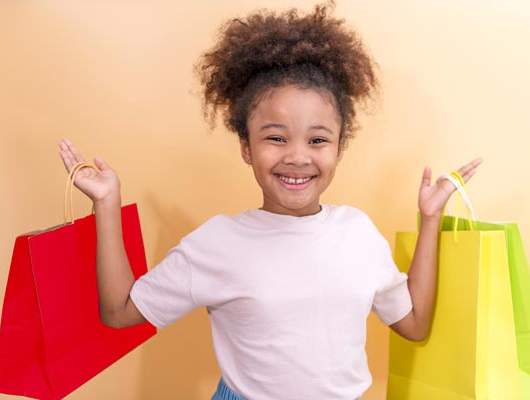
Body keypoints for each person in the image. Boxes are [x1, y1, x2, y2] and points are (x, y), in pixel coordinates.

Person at [59, 3, 481, 399]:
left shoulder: (358, 233)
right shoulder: (217, 243)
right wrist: (107, 203)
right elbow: (119, 312)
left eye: (317, 139)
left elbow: (414, 323)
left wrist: (430, 219)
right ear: (246, 146)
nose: (297, 156)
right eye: (275, 138)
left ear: (339, 148)